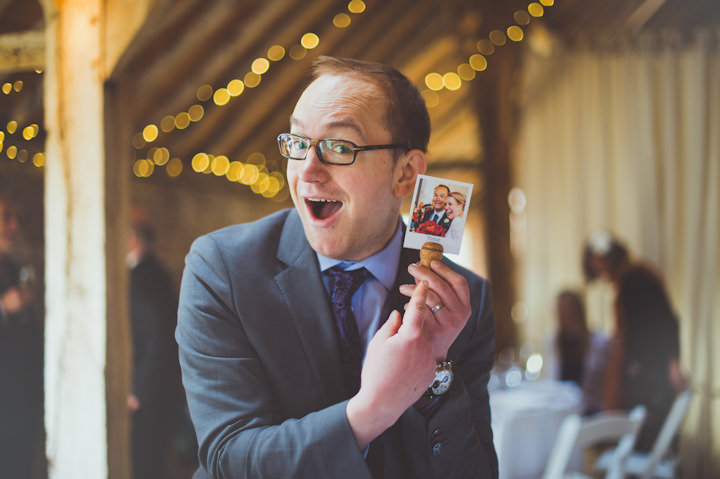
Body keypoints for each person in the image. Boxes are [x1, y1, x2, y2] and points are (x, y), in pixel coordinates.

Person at [177, 56, 497, 478]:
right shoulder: (222, 270)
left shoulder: (462, 300)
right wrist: (369, 412)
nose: (307, 169)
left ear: (405, 174)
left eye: (339, 147)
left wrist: (436, 367)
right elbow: (229, 459)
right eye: (297, 142)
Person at [583, 230, 687, 450]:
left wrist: (672, 362)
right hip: (646, 372)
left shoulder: (635, 280)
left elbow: (664, 324)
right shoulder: (633, 278)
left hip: (648, 376)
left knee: (643, 437)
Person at [127, 207, 185, 479]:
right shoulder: (157, 272)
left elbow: (158, 336)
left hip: (149, 395)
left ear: (130, 235)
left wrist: (138, 390)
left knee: (147, 464)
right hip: (162, 388)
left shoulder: (141, 278)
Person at [0, 191, 44, 478]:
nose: (15, 225)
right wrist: (3, 307)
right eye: (6, 217)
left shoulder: (13, 268)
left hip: (20, 406)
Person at [545, 290, 608, 415]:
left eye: (569, 309)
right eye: (561, 310)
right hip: (560, 410)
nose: (565, 314)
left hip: (589, 411)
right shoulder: (552, 341)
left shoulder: (598, 342)